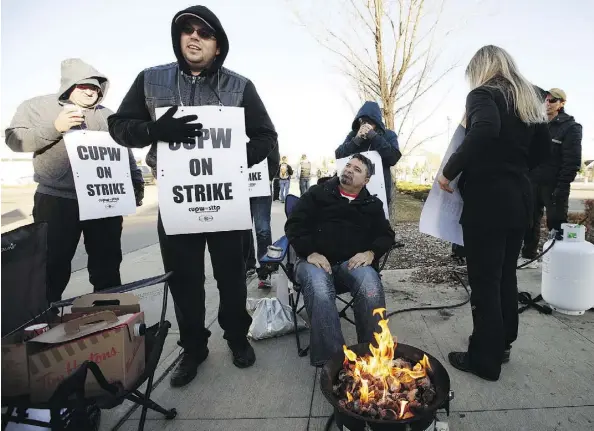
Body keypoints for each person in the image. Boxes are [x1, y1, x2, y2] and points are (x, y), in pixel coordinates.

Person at [107, 6, 277, 387]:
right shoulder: (151, 80)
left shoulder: (240, 85)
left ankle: (236, 336)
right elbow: (118, 126)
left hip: (226, 199)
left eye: (205, 32)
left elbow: (266, 135)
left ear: (218, 46)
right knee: (184, 280)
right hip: (177, 200)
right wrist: (154, 130)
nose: (194, 37)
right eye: (187, 30)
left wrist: (236, 158)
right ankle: (193, 347)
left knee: (232, 276)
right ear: (178, 38)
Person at [437, 45, 551, 381]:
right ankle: (501, 343)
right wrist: (513, 169)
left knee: (484, 281)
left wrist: (450, 170)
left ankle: (483, 359)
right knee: (505, 275)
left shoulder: (483, 94)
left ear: (482, 68)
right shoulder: (528, 98)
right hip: (519, 200)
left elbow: (484, 129)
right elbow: (543, 151)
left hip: (487, 203)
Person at [5, 58, 144, 304]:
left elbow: (124, 152)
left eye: (96, 87)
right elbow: (15, 140)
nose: (92, 91)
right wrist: (54, 127)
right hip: (58, 200)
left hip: (104, 201)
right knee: (52, 266)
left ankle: (109, 320)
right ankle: (43, 322)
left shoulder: (109, 116)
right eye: (85, 86)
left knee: (107, 265)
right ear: (70, 85)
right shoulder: (37, 107)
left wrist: (136, 186)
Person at [285, 153, 396, 366]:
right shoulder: (317, 194)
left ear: (366, 180)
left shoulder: (372, 205)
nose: (349, 170)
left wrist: (371, 253)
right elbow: (294, 226)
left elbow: (386, 235)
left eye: (357, 169)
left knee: (370, 283)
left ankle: (374, 356)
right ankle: (333, 362)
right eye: (348, 166)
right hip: (313, 262)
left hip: (350, 266)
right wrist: (309, 252)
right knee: (318, 285)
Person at [520, 88, 582, 268]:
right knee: (529, 221)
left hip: (554, 185)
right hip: (532, 182)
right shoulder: (537, 124)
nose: (548, 103)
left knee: (556, 223)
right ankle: (528, 256)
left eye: (553, 100)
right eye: (546, 100)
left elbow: (572, 161)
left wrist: (562, 187)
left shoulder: (571, 127)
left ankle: (559, 261)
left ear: (562, 103)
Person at [335, 101, 401, 205]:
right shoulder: (353, 135)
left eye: (370, 122)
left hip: (378, 192)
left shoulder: (388, 135)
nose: (365, 125)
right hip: (352, 191)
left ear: (377, 123)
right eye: (363, 121)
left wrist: (374, 137)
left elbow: (393, 158)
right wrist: (355, 141)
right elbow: (338, 155)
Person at [243, 140, 280, 288]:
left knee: (262, 229)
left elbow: (274, 158)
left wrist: (267, 178)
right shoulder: (233, 128)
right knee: (243, 228)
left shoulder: (265, 128)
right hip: (240, 186)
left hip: (261, 186)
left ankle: (265, 270)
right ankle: (248, 267)